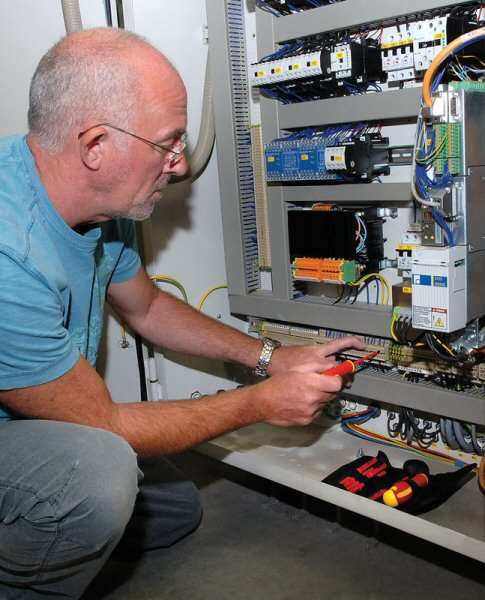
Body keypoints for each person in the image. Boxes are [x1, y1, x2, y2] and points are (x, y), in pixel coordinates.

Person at [0, 28, 365, 599]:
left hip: (40, 425)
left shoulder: (102, 205)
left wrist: (269, 357)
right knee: (98, 478)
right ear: (96, 146)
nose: (180, 163)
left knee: (173, 509)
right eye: (168, 142)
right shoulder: (9, 253)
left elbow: (146, 307)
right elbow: (104, 425)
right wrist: (258, 404)